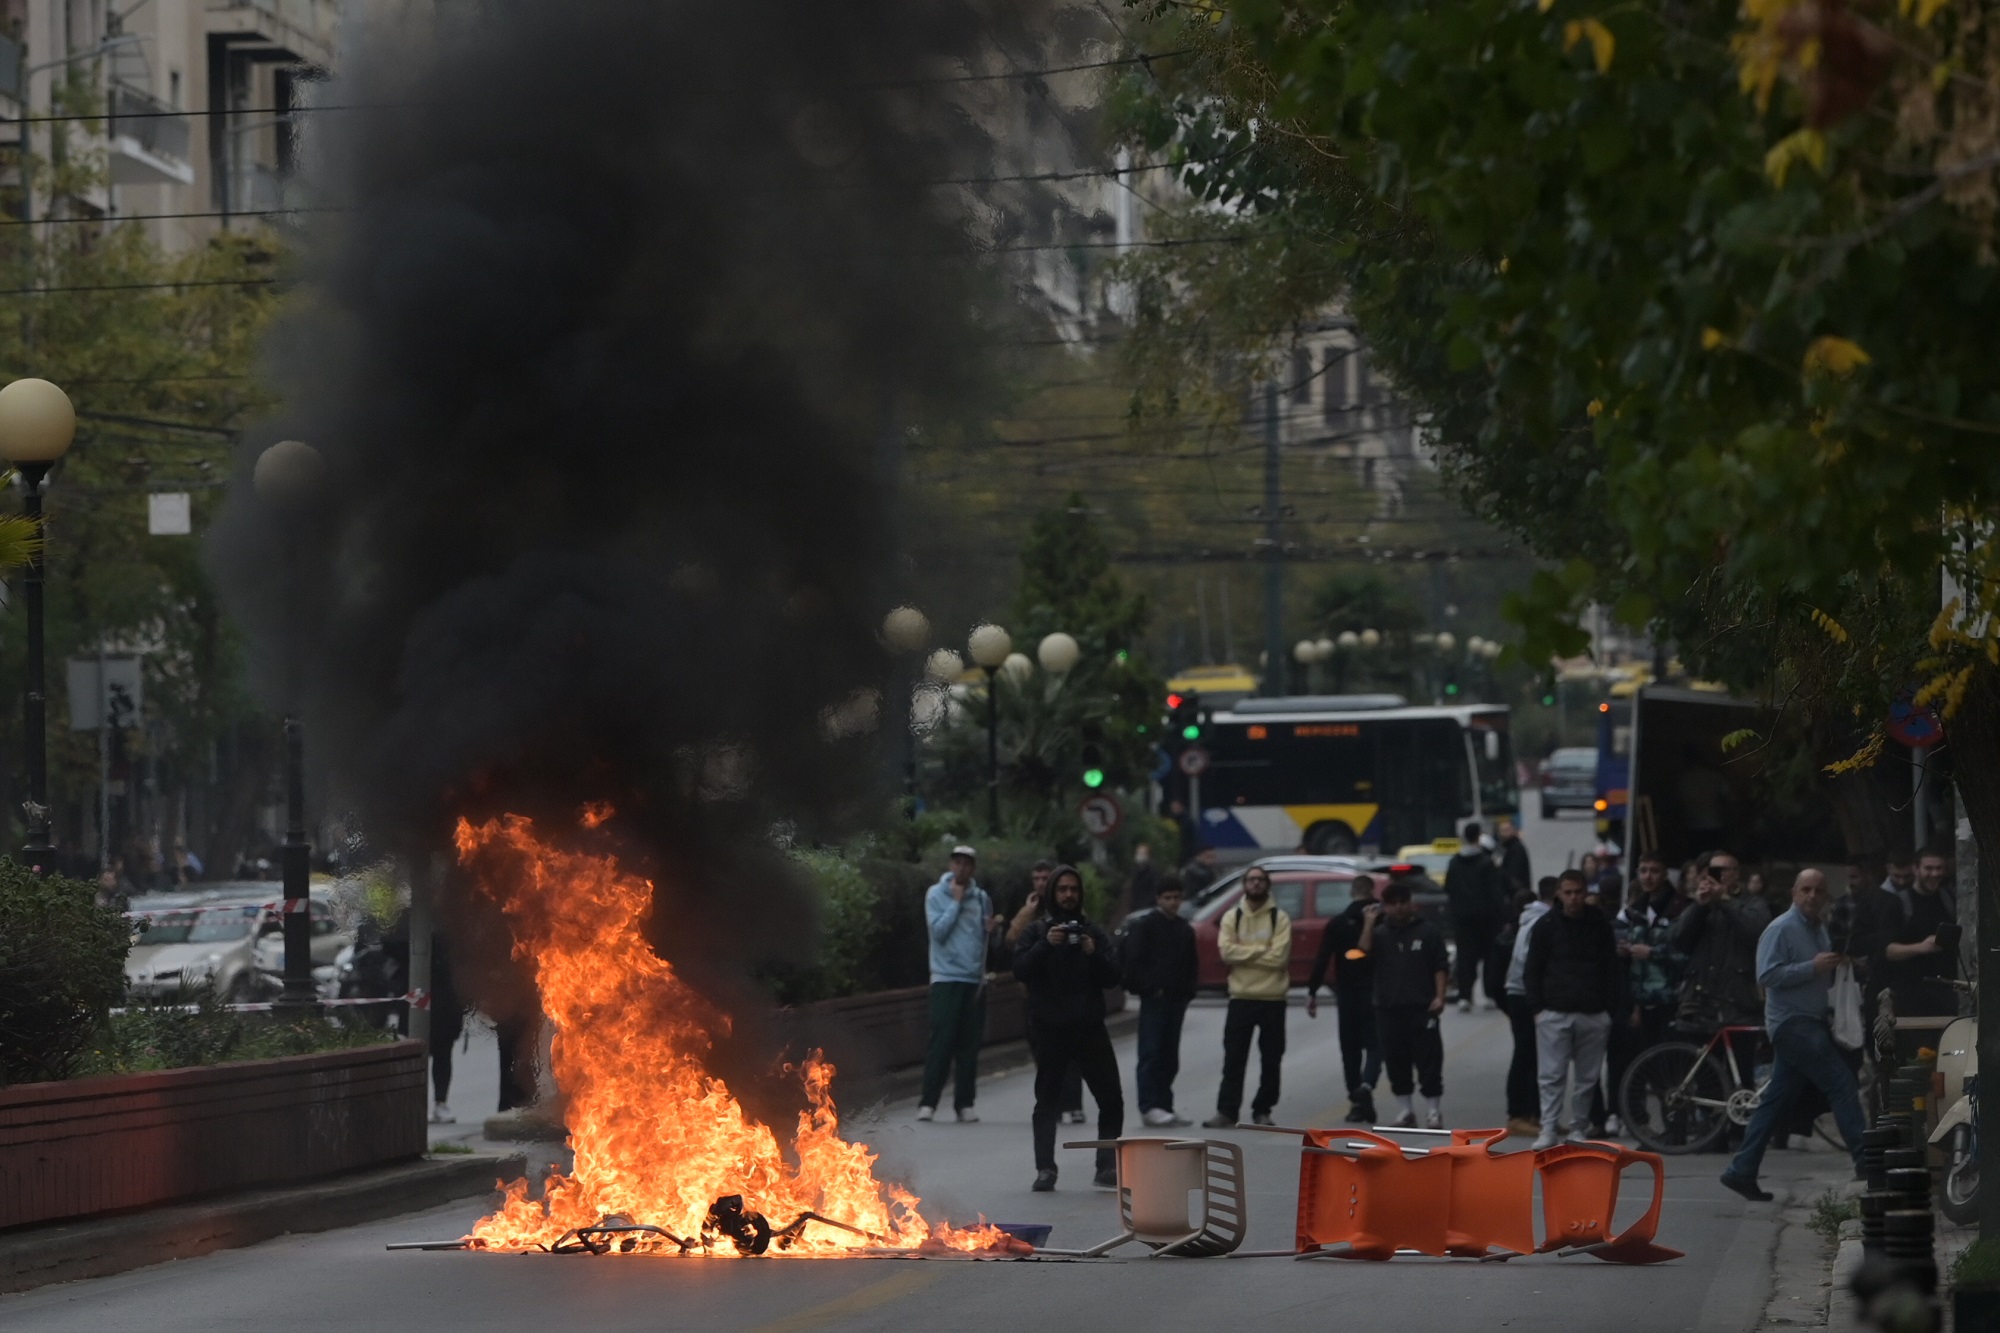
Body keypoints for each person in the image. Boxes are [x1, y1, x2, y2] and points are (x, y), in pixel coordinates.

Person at [1719, 870, 1870, 1200]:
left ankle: (1741, 1171)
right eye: (1806, 889)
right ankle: (1866, 1162)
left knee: (1775, 1102)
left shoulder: (1818, 930)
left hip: (1811, 1022)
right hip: (1792, 1024)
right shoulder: (1780, 928)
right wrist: (1812, 967)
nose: (1812, 896)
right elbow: (1767, 975)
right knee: (1842, 1084)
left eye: (1818, 890)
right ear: (1793, 892)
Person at [1013, 865, 1124, 1191]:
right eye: (1062, 889)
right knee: (1046, 1102)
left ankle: (1106, 1166)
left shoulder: (1093, 933)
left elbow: (1114, 976)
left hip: (1090, 1029)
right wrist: (1046, 944)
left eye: (1073, 889)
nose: (1068, 895)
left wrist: (1092, 953)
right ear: (1052, 894)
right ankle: (1045, 1168)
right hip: (1050, 1030)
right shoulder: (1036, 932)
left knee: (1111, 1099)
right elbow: (1020, 970)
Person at [1525, 869, 1623, 1149]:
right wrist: (1537, 1009)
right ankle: (1548, 1128)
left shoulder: (1599, 924)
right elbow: (1533, 968)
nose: (1574, 898)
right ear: (1558, 893)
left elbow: (1611, 968)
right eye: (1568, 892)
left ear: (1586, 892)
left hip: (1593, 1012)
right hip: (1554, 1012)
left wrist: (1609, 1009)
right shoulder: (1545, 926)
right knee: (1551, 1076)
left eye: (1578, 892)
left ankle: (1579, 1127)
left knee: (1587, 1078)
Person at [918, 844, 1003, 1123]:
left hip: (974, 978)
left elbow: (990, 943)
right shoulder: (936, 894)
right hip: (946, 977)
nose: (962, 868)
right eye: (958, 863)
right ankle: (928, 1102)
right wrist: (955, 902)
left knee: (969, 1044)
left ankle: (965, 1103)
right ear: (951, 865)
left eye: (967, 864)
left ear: (973, 868)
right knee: (942, 1040)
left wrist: (993, 930)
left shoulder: (981, 899)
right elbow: (938, 933)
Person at [1204, 864, 1292, 1128]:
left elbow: (1280, 957)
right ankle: (1227, 1111)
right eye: (1251, 880)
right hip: (1241, 997)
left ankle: (1263, 1110)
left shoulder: (1280, 918)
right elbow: (1226, 953)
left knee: (1271, 1059)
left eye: (1260, 880)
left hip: (1272, 998)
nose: (1255, 884)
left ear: (1267, 885)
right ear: (1244, 885)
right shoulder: (1233, 917)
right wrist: (1262, 950)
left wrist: (1246, 951)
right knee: (1233, 1058)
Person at [1006, 859, 1085, 1122]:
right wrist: (1028, 912)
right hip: (1034, 994)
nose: (1041, 883)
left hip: (1066, 991)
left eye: (1045, 878)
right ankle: (1053, 1103)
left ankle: (1073, 1104)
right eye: (1036, 878)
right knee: (1043, 1052)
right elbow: (1012, 940)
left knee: (1072, 1050)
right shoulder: (1029, 912)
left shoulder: (1069, 908)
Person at [1607, 873, 1682, 1135]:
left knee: (1661, 1065)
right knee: (1633, 1064)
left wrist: (1650, 953)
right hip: (1631, 1002)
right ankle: (1629, 1116)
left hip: (1661, 999)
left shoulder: (1672, 917)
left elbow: (1679, 955)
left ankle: (1671, 1124)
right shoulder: (1624, 923)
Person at [1307, 873, 1384, 1124]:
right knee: (1374, 1045)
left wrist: (1313, 992)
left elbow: (1322, 959)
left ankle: (1356, 1101)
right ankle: (1367, 1086)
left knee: (1350, 1049)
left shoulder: (1338, 923)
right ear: (1372, 891)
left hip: (1347, 993)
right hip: (1375, 991)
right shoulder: (1383, 920)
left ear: (1352, 892)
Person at [1121, 876, 1198, 1126]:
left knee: (1169, 1055)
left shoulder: (1184, 929)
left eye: (1176, 898)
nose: (1173, 903)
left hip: (1176, 999)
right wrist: (1147, 988)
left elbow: (1190, 965)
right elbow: (1133, 961)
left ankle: (1164, 1104)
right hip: (1155, 999)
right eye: (1168, 898)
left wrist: (1187, 993)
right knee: (1151, 1052)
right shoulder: (1146, 926)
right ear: (1158, 899)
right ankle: (1149, 1104)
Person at [1373, 879, 1450, 1128]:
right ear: (1385, 906)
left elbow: (1440, 965)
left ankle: (1433, 1111)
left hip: (1422, 1008)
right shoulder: (1379, 934)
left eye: (1402, 903)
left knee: (1429, 1061)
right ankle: (1405, 1111)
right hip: (1389, 1009)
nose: (1398, 908)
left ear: (1410, 904)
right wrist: (1367, 922)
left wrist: (1439, 996)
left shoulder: (1427, 931)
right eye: (1392, 904)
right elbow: (1361, 952)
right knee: (1396, 1061)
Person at [1667, 849, 1771, 1033]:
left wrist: (1725, 900)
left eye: (1724, 870)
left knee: (1737, 1059)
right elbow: (1677, 939)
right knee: (1695, 1058)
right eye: (1713, 870)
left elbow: (1757, 933)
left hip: (1737, 1004)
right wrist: (1698, 907)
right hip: (1699, 1003)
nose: (1718, 875)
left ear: (1736, 874)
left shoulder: (1753, 903)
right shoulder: (1703, 904)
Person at [1502, 876, 1558, 1136]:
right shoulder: (1539, 921)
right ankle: (1518, 1114)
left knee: (1538, 1056)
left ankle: (1537, 1114)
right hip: (1524, 993)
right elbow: (1530, 960)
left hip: (1527, 992)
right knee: (1525, 1054)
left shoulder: (1539, 918)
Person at [1882, 844, 1960, 1017]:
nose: (1934, 874)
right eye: (1928, 868)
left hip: (1945, 991)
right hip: (1910, 994)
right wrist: (1922, 947)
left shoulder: (1949, 899)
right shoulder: (1899, 904)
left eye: (1939, 868)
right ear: (1915, 869)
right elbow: (1889, 950)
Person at [1444, 821, 1507, 1012]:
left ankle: (1465, 995)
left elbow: (1448, 888)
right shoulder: (1486, 863)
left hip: (1463, 918)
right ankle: (1488, 994)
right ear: (1479, 836)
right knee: (1489, 956)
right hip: (1486, 918)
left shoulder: (1455, 862)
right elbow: (1496, 893)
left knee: (1465, 957)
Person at [1494, 817, 1532, 900]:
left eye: (1508, 829)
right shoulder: (1503, 848)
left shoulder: (1516, 849)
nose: (1506, 833)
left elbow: (1514, 874)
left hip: (1517, 895)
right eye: (1503, 830)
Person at [1125, 843, 1163, 917]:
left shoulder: (1152, 871)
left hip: (1148, 908)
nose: (1139, 856)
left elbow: (1155, 889)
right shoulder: (1135, 870)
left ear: (1147, 855)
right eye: (1138, 853)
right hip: (1136, 908)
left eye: (1142, 853)